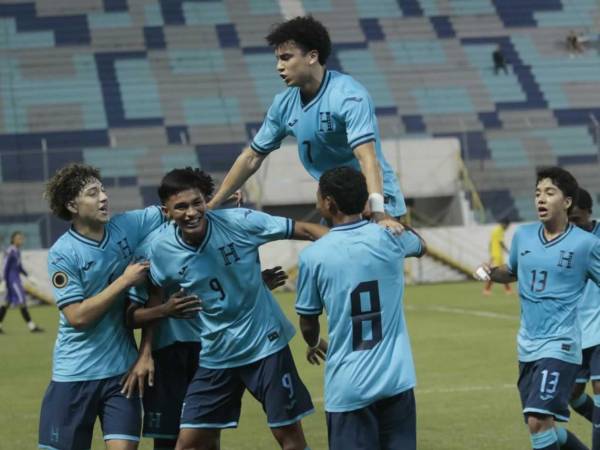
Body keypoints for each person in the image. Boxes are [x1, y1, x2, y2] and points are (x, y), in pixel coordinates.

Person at [137, 167, 326, 450]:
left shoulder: (240, 222)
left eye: (197, 203)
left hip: (265, 347)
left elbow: (306, 229)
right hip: (216, 355)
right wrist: (162, 315)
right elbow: (155, 286)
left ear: (206, 201)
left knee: (290, 439)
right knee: (186, 444)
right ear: (167, 212)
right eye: (181, 207)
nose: (191, 212)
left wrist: (349, 243)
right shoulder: (161, 250)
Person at [207, 15, 405, 229]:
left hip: (373, 196)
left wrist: (378, 211)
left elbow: (366, 157)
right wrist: (213, 203)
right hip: (334, 202)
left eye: (286, 58)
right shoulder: (283, 104)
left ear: (312, 57)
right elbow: (252, 157)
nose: (279, 67)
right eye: (278, 59)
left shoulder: (348, 95)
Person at [120, 222, 290, 450]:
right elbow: (132, 317)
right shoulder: (152, 248)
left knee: (208, 438)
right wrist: (146, 350)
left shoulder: (217, 239)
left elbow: (220, 291)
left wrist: (256, 285)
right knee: (167, 439)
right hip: (168, 353)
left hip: (211, 350)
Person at [295, 167, 426, 450]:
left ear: (329, 203)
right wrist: (383, 216)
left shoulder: (313, 256)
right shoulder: (391, 238)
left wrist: (314, 342)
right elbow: (421, 245)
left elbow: (307, 320)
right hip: (396, 380)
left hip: (349, 386)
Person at [38, 163, 166, 450]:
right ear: (72, 204)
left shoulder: (127, 225)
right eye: (93, 193)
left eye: (103, 190)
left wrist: (221, 201)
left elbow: (177, 207)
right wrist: (124, 281)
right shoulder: (63, 252)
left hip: (121, 374)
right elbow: (77, 317)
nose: (104, 198)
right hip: (75, 374)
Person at [474, 167, 596, 450]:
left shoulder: (586, 245)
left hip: (561, 345)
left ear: (566, 202)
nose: (541, 198)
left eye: (549, 192)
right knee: (544, 429)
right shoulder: (524, 236)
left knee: (538, 419)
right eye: (537, 193)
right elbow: (512, 271)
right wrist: (492, 272)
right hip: (527, 346)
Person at [567, 187, 600, 449]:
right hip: (575, 334)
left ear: (589, 212)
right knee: (573, 395)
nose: (574, 224)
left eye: (577, 219)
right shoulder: (565, 241)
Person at [0, 231, 43, 333]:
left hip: (15, 279)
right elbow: (5, 266)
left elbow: (19, 267)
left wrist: (29, 277)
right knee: (21, 301)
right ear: (13, 239)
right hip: (12, 281)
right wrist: (3, 281)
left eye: (22, 238)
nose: (21, 240)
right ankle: (32, 327)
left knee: (6, 303)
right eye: (19, 238)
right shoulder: (10, 251)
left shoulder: (17, 251)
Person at [483, 218, 513, 295]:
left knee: (502, 273)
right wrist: (508, 251)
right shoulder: (499, 230)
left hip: (495, 255)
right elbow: (501, 243)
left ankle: (507, 290)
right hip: (497, 256)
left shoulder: (495, 230)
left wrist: (491, 254)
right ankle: (487, 290)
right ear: (504, 224)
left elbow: (490, 243)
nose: (507, 228)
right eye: (507, 226)